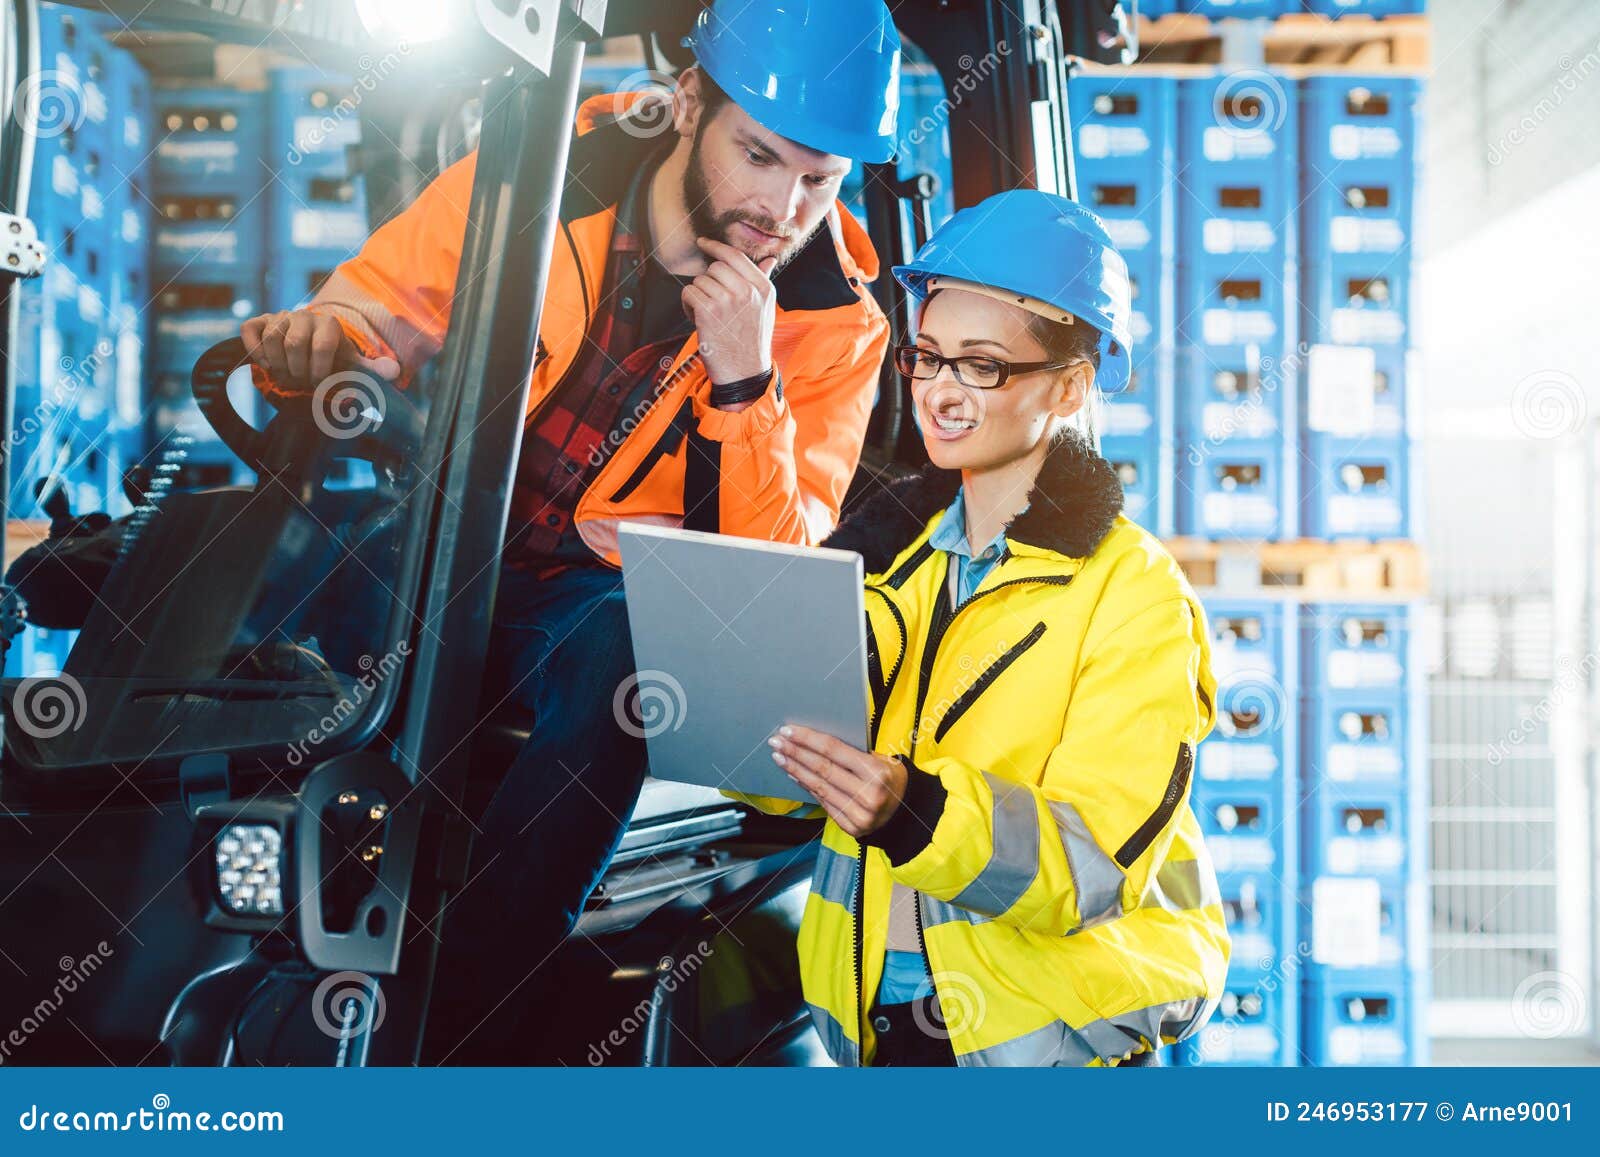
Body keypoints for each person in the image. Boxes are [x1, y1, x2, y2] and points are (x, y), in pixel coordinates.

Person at [240, 0, 901, 1061]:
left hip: (589, 607)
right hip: (446, 555)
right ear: (689, 103)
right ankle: (223, 928)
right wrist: (320, 343)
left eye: (818, 180)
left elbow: (766, 580)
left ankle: (464, 1024)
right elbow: (378, 310)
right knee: (245, 571)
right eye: (759, 155)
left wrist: (745, 380)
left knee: (623, 655)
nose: (782, 208)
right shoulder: (540, 174)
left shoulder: (833, 330)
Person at [741, 189, 1231, 1066]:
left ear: (1071, 385)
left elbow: (1092, 866)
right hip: (871, 1021)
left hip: (1038, 1041)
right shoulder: (893, 567)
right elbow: (785, 793)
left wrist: (915, 811)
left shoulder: (1135, 594)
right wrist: (744, 725)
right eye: (928, 358)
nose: (942, 392)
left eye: (984, 366)